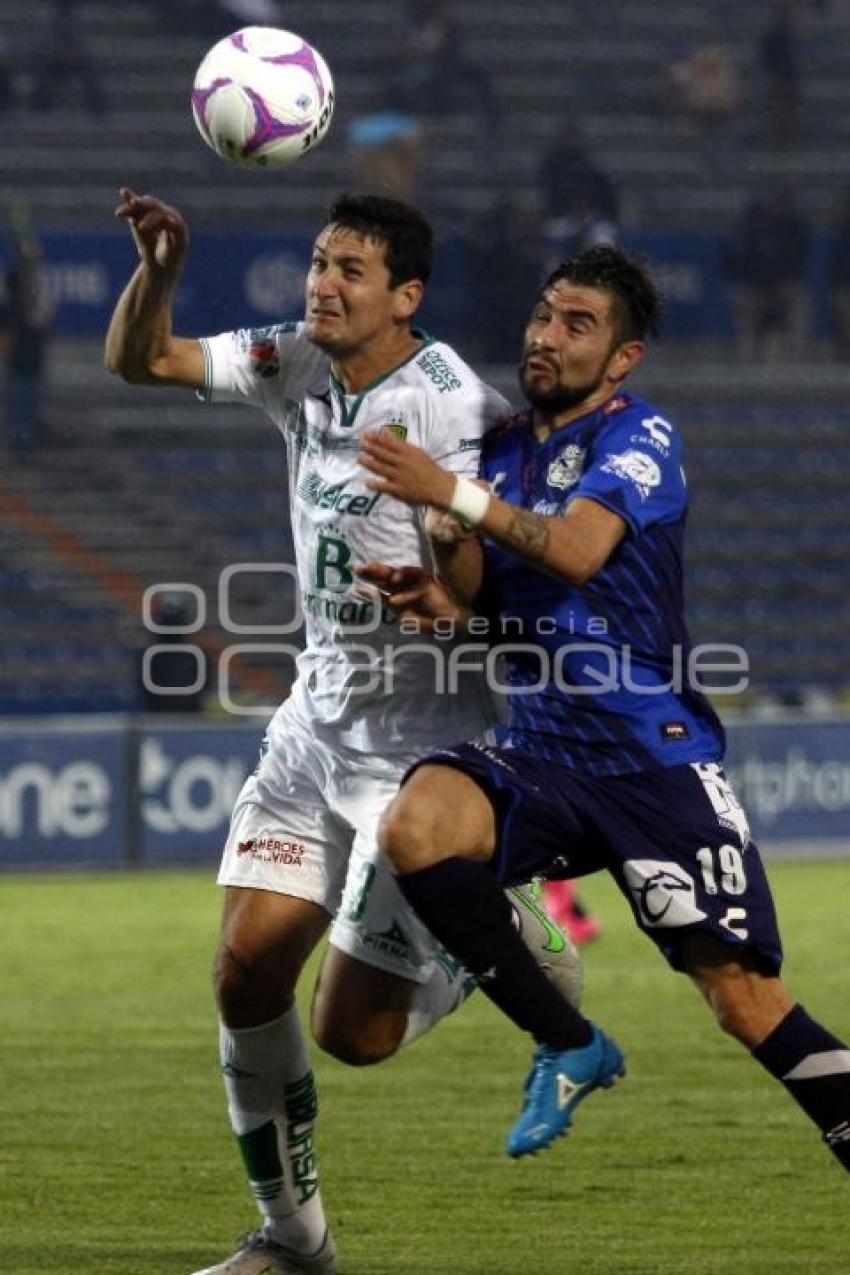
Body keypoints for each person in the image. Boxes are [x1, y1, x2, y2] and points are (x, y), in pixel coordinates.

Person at [105, 187, 581, 1275]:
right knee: (240, 977)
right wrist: (162, 266)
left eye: (351, 269)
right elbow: (144, 362)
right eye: (320, 261)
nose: (322, 282)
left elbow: (525, 584)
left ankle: (501, 935)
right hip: (314, 726)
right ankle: (294, 1244)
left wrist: (454, 590)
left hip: (424, 751)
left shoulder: (460, 410)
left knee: (351, 1037)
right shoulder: (298, 366)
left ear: (405, 297)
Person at [357, 245, 850, 1171]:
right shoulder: (500, 449)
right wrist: (441, 562)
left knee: (743, 1001)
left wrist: (448, 492)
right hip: (541, 752)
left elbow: (578, 553)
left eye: (576, 325)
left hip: (649, 762)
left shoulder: (642, 436)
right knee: (417, 826)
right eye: (543, 314)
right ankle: (569, 1040)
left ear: (622, 358)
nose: (545, 336)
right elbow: (484, 604)